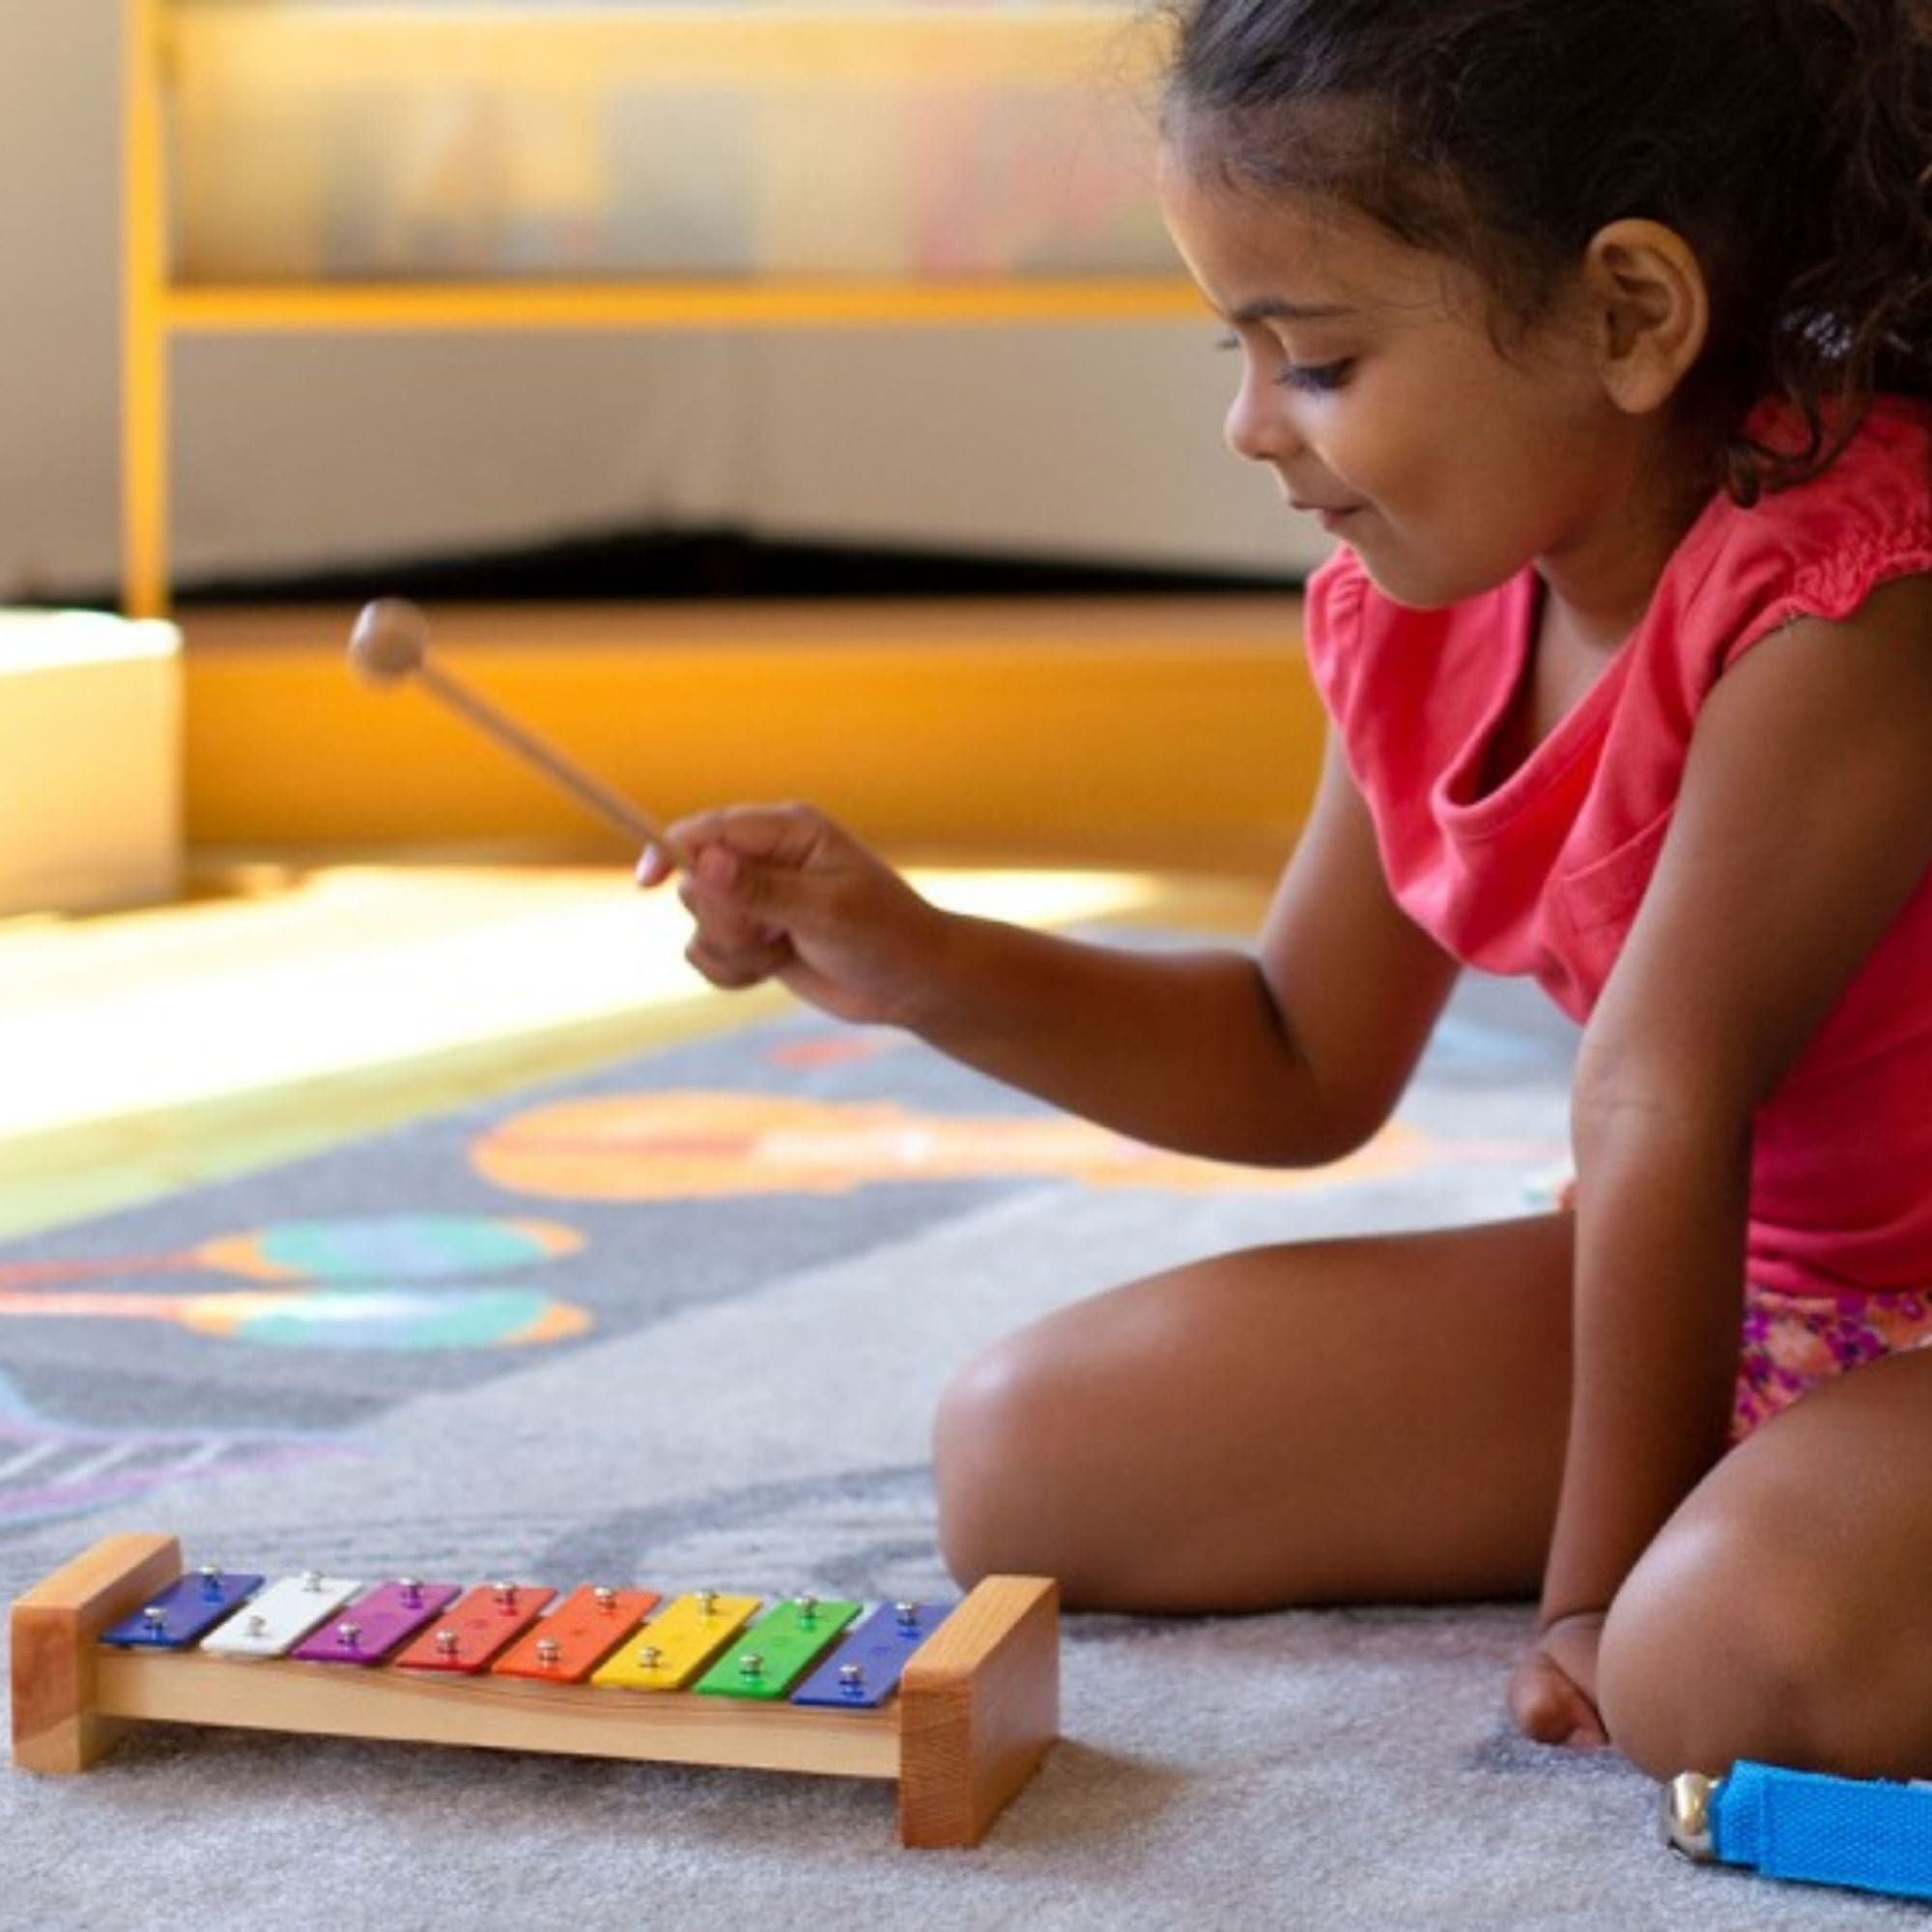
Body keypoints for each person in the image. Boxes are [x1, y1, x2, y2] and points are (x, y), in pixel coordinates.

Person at [637, 0, 1932, 1782]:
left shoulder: (1854, 591)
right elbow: (1292, 1054)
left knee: (1721, 1669)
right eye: (1234, 347)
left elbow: (1660, 1091)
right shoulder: (1430, 606)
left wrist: (1594, 1597)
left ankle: (1775, 1548)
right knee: (1021, 1456)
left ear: (1629, 315)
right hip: (1755, 1298)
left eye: (1312, 358)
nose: (1251, 424)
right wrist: (917, 959)